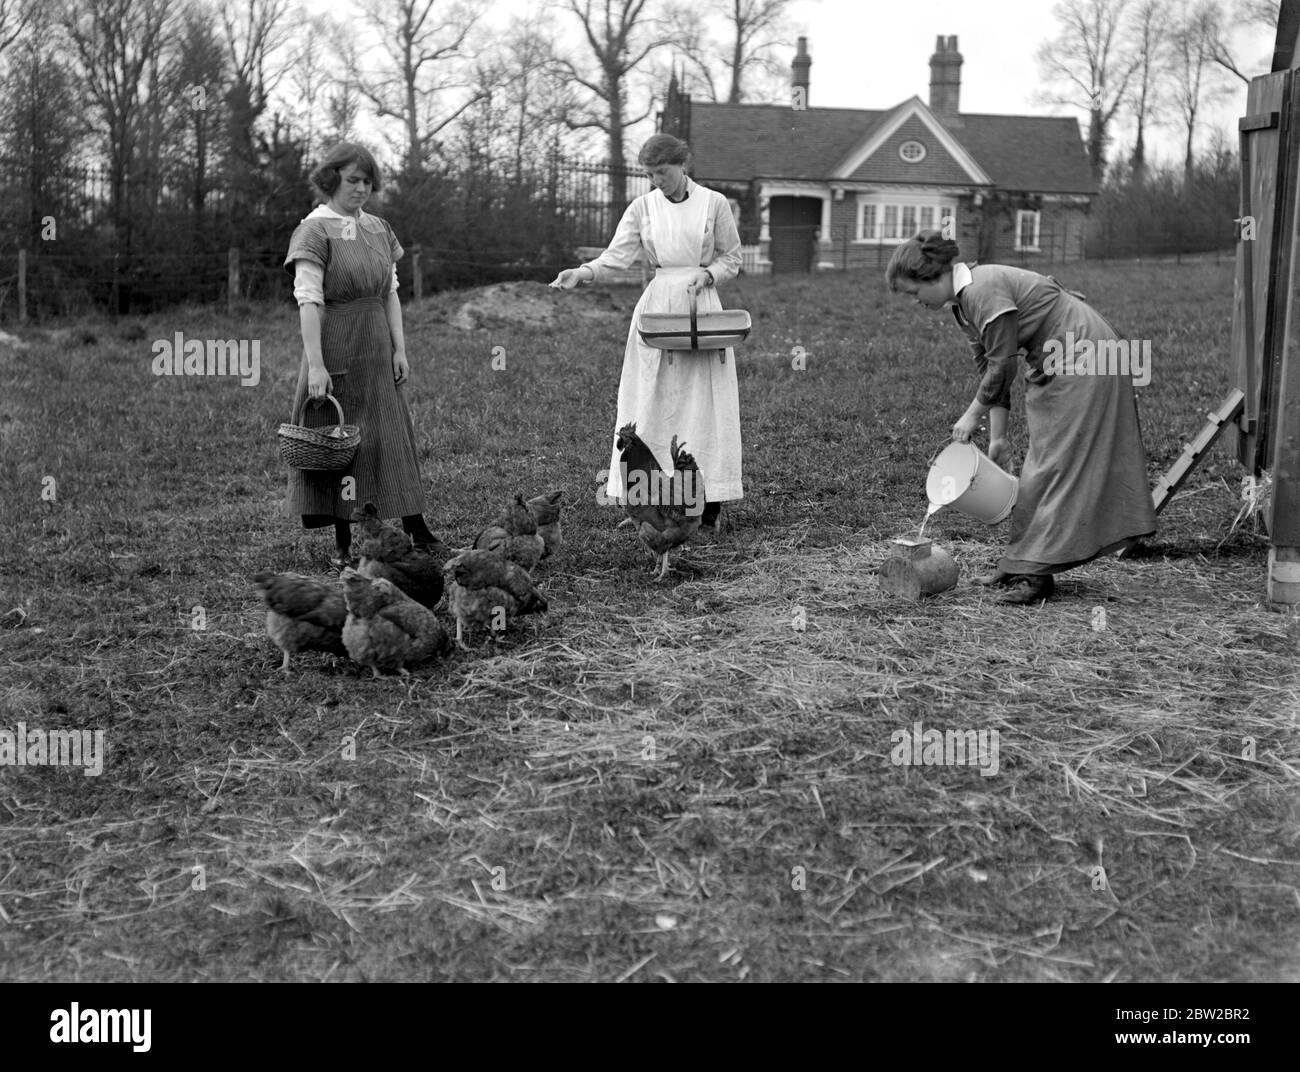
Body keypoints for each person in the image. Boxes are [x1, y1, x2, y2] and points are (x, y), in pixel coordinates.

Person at [887, 232, 1156, 604]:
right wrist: (997, 438)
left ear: (933, 277)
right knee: (1037, 467)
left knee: (1054, 465)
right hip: (1059, 360)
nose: (916, 302)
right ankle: (1018, 563)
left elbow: (1001, 367)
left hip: (1086, 355)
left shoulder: (983, 289)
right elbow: (990, 370)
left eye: (913, 293)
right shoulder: (963, 306)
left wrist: (970, 417)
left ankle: (1037, 575)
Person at [551, 133, 744, 529]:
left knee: (701, 400)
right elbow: (616, 257)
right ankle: (648, 502)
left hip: (699, 306)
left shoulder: (714, 203)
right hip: (658, 308)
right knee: (650, 398)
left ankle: (706, 506)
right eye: (650, 174)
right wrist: (582, 273)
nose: (657, 180)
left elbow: (732, 258)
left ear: (682, 164)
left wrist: (708, 275)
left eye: (663, 172)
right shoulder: (643, 207)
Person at [283, 143, 438, 567]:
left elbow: (390, 294)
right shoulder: (313, 231)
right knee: (343, 441)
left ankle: (416, 527)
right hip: (336, 344)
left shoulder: (378, 228)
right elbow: (309, 302)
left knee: (391, 434)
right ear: (331, 179)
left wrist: (400, 348)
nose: (361, 189)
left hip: (376, 344)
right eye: (353, 180)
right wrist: (316, 365)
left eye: (368, 181)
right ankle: (344, 544)